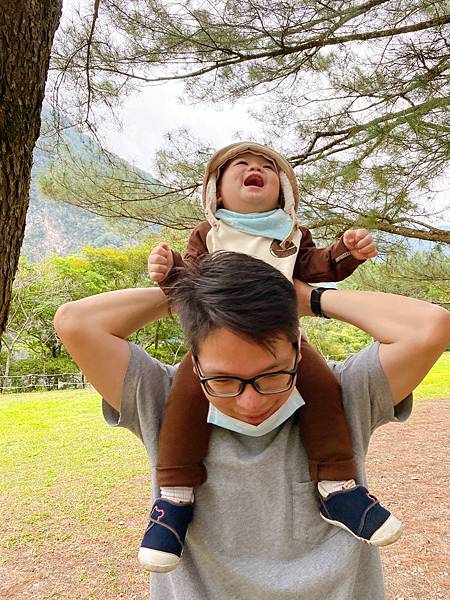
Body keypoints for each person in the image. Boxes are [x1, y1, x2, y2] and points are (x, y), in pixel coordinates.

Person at [54, 251, 450, 600]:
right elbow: (76, 322)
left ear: (298, 348)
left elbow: (429, 326)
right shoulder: (161, 398)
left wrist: (305, 298)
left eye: (273, 375)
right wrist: (193, 296)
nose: (251, 402)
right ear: (195, 361)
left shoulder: (343, 393)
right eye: (223, 381)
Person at [142, 141, 395, 573]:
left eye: (267, 167)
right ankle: (173, 503)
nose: (255, 169)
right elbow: (193, 282)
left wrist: (346, 252)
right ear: (216, 192)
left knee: (322, 390)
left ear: (283, 191)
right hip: (217, 343)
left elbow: (317, 267)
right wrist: (169, 270)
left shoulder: (292, 235)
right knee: (184, 400)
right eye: (240, 165)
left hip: (284, 340)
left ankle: (338, 489)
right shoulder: (209, 234)